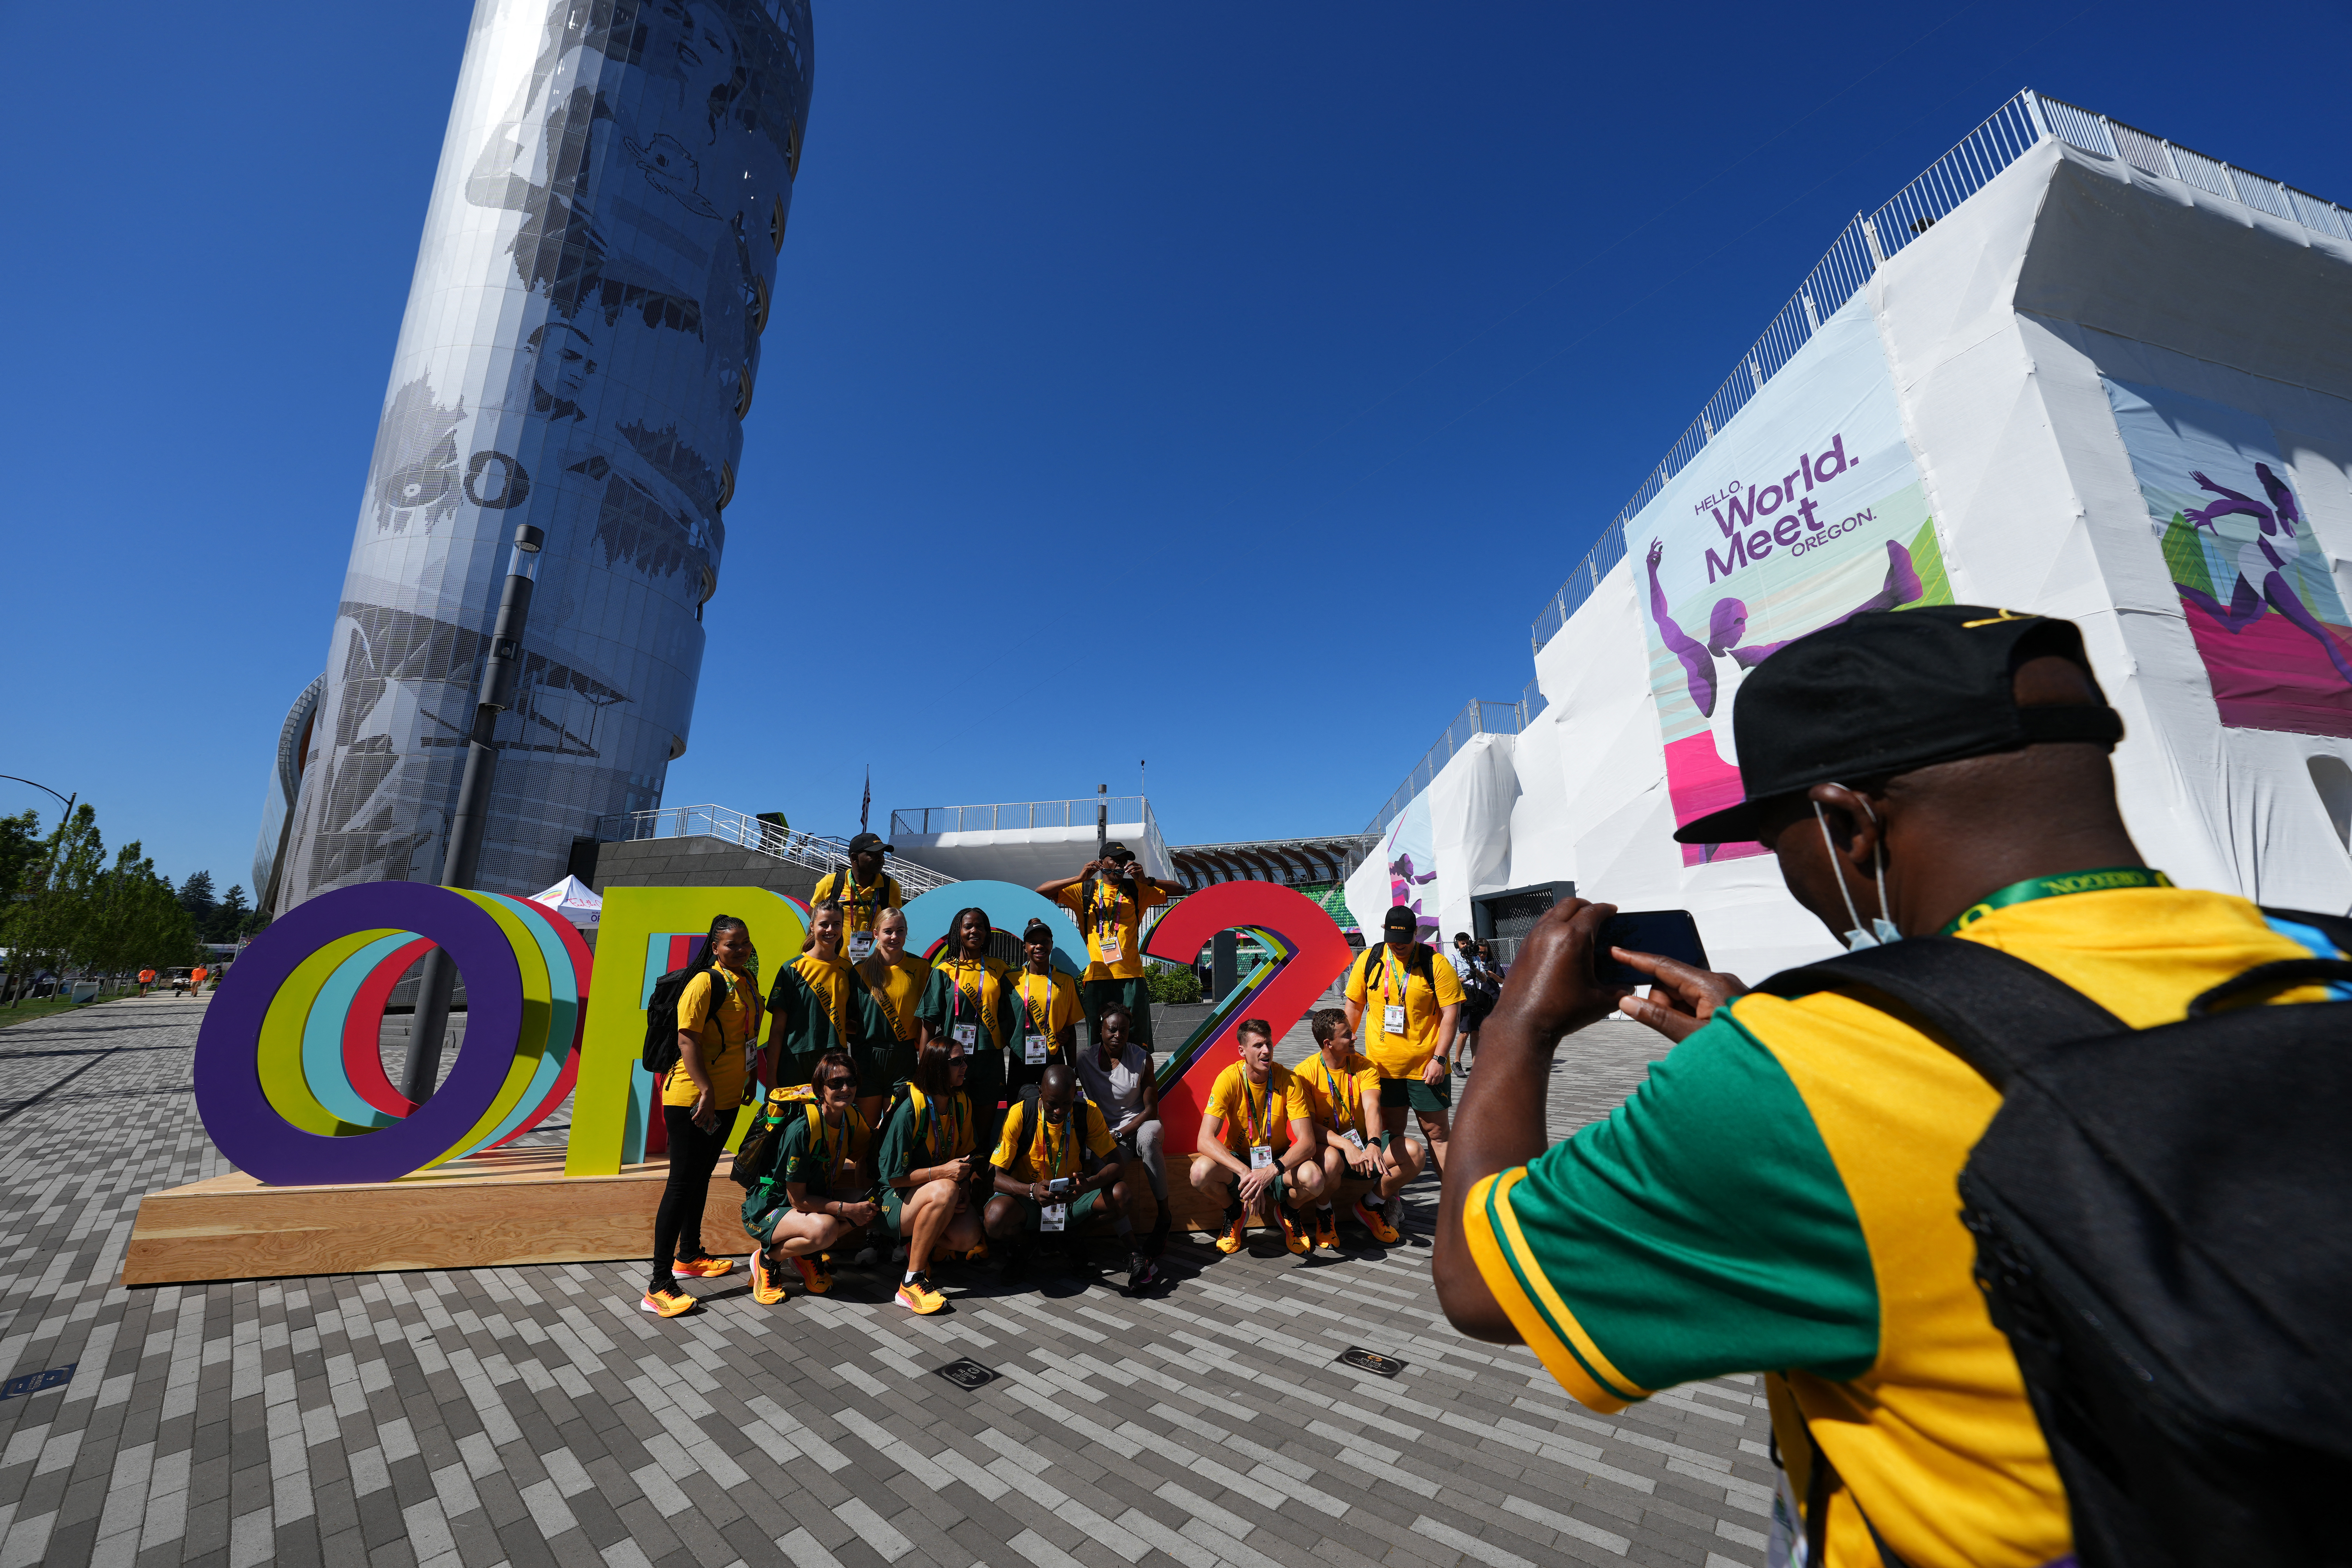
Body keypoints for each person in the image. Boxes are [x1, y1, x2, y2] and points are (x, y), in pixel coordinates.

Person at [1434, 604, 2352, 1568]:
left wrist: (1516, 1027)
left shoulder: (1791, 1075)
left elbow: (1477, 1283)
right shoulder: (2320, 959)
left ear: (1845, 823)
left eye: (1775, 836)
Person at [641, 915, 760, 1318]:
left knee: (701, 1178)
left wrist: (751, 1077)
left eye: (745, 943)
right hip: (693, 1098)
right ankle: (658, 1284)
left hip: (725, 1098)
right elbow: (686, 1040)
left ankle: (689, 1255)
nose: (741, 950)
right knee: (681, 1184)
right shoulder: (704, 983)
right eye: (732, 945)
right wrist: (707, 1091)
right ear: (715, 947)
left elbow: (747, 1036)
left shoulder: (746, 981)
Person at [983, 1064, 1139, 1286]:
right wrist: (1030, 1191)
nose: (1059, 1112)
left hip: (1070, 1198)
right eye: (1052, 1105)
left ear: (1075, 1094)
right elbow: (994, 1176)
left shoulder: (1088, 1112)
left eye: (1066, 1104)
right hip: (1030, 1200)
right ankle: (1026, 1244)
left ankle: (1069, 1238)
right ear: (1041, 1093)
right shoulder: (1020, 1114)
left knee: (1122, 1196)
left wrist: (1088, 1185)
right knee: (995, 1218)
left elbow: (1117, 1164)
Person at [745, 1049, 876, 1304]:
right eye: (836, 1083)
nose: (845, 1088)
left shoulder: (851, 1116)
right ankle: (768, 1259)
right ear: (820, 1088)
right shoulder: (803, 1130)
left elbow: (870, 1153)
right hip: (772, 1207)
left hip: (814, 1201)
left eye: (851, 1082)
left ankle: (806, 1255)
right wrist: (848, 1209)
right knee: (825, 1229)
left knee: (873, 1202)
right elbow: (799, 1201)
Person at [1344, 905, 1463, 1175]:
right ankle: (1389, 1198)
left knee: (1438, 1134)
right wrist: (1345, 1047)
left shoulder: (1435, 964)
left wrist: (1439, 1059)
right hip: (1382, 1069)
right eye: (1393, 939)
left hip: (1427, 1069)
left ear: (1416, 933)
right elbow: (1353, 1006)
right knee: (1391, 1135)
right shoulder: (1370, 960)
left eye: (1405, 939)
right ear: (1385, 933)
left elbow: (1451, 1015)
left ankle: (1452, 1207)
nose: (1399, 945)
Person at [1189, 1018, 1324, 1256]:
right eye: (1258, 1045)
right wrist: (1246, 1173)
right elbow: (1205, 1140)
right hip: (1240, 1161)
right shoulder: (1229, 1079)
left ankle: (1289, 1211)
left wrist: (1270, 1171)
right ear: (1242, 1051)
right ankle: (1233, 1211)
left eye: (1269, 1044)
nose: (1266, 1051)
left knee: (1314, 1179)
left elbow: (1308, 1143)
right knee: (1199, 1174)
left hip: (1278, 1162)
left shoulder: (1289, 1080)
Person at [873, 1037, 987, 1314]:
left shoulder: (962, 1103)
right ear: (937, 1068)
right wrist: (944, 1174)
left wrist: (966, 1190)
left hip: (930, 1194)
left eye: (965, 1060)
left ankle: (919, 1245)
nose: (965, 1067)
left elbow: (968, 1159)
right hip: (892, 1200)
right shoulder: (910, 1109)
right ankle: (911, 1282)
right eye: (957, 1062)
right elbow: (894, 1179)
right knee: (946, 1189)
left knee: (968, 1236)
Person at [1037, 843, 1184, 1053]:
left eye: (1124, 860)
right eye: (1115, 859)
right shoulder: (1086, 890)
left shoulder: (1136, 889)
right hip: (1097, 975)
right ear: (1102, 862)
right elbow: (1041, 891)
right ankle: (1101, 1082)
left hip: (1131, 976)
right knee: (1098, 1039)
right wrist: (1079, 878)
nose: (1120, 864)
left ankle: (1137, 1082)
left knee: (1136, 1039)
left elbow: (1181, 890)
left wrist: (1147, 881)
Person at [1293, 1008, 1411, 1248]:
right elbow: (1309, 1128)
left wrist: (1375, 1143)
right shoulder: (1304, 1073)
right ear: (1329, 1044)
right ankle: (1324, 1213)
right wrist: (1347, 1145)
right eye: (1348, 1035)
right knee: (1332, 1161)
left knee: (1415, 1154)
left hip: (1365, 1143)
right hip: (1332, 1146)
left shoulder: (1365, 1066)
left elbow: (1372, 1108)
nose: (1355, 1038)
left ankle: (1371, 1205)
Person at [766, 901, 893, 1124]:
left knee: (828, 1131)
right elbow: (777, 1031)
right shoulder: (792, 969)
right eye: (824, 924)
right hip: (795, 1063)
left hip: (834, 1064)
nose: (830, 930)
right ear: (813, 926)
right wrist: (771, 1079)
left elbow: (854, 1022)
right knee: (788, 1130)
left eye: (836, 924)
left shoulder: (849, 971)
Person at [1072, 1002, 1169, 1274]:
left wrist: (1118, 1134)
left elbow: (1151, 1110)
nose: (1118, 1035)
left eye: (1124, 1031)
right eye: (1112, 1030)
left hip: (1140, 1124)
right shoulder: (1084, 1060)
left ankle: (1164, 1217)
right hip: (1108, 1134)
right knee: (1103, 1170)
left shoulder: (1142, 1058)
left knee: (1150, 1139)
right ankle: (1133, 1249)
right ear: (1100, 1030)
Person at [918, 907, 1015, 1154]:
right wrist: (924, 1065)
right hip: (953, 1061)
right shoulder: (943, 971)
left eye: (981, 927)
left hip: (990, 1059)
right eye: (969, 926)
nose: (975, 931)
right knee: (953, 1123)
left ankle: (979, 1175)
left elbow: (1013, 1014)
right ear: (957, 932)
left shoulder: (999, 969)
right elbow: (928, 1023)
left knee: (983, 1131)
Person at [1006, 919, 1081, 1094]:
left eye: (1045, 941)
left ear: (1052, 945)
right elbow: (1003, 1020)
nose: (1040, 946)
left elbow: (1071, 1028)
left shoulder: (1066, 981)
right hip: (1021, 1058)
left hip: (1053, 1057)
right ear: (1025, 947)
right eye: (1033, 942)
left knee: (1056, 1113)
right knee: (1021, 1114)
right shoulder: (1011, 980)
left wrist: (1073, 1068)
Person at [855, 905, 929, 1080]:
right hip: (867, 1057)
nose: (894, 937)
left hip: (905, 1056)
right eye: (888, 932)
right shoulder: (859, 971)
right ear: (876, 934)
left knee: (899, 1109)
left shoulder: (922, 968)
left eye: (900, 931)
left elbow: (929, 1017)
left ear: (906, 933)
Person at [812, 834, 904, 963]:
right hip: (833, 963)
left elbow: (896, 925)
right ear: (855, 858)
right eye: (874, 855)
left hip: (874, 965)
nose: (881, 859)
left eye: (882, 855)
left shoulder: (890, 886)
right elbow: (813, 920)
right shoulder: (830, 883)